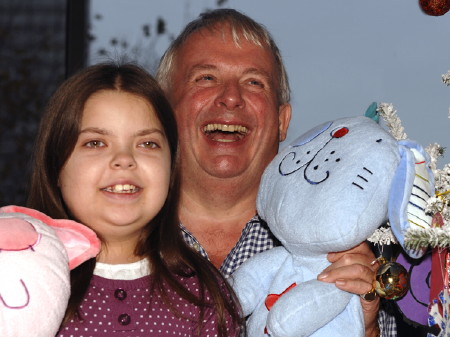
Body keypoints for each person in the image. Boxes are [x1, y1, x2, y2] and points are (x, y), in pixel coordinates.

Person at [156, 8, 395, 337]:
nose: (230, 97)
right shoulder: (111, 237)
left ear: (282, 122)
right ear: (163, 114)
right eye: (206, 78)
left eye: (254, 82)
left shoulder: (345, 250)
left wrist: (365, 327)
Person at [26, 63, 242, 337]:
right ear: (56, 165)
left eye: (147, 144)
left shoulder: (203, 296)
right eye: (95, 143)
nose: (124, 160)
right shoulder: (20, 279)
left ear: (171, 168)